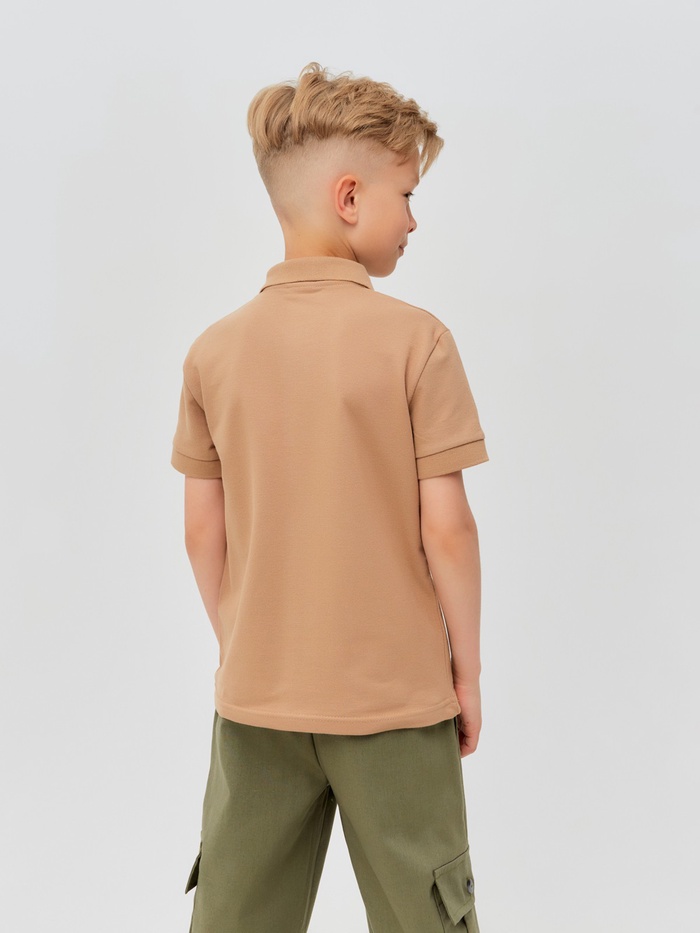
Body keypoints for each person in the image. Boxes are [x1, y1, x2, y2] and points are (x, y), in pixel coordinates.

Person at [171, 61, 488, 933]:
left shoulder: (213, 352)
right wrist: (465, 671)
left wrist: (246, 644)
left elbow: (202, 529)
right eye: (406, 194)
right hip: (396, 703)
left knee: (236, 914)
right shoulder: (417, 342)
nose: (414, 218)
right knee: (426, 914)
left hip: (256, 702)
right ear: (350, 197)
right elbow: (449, 530)